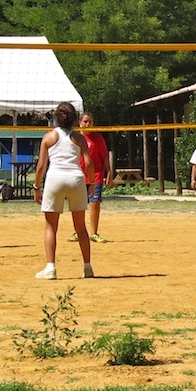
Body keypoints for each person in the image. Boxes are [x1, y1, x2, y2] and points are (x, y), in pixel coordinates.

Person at [33, 102, 96, 280]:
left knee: (51, 226)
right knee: (81, 227)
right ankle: (87, 267)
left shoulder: (48, 137)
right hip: (76, 178)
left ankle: (51, 268)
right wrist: (91, 183)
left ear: (56, 117)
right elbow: (89, 163)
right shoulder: (79, 138)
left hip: (55, 179)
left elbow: (40, 167)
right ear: (74, 119)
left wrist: (36, 187)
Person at [68, 111, 114, 243]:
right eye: (85, 122)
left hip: (96, 175)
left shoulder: (98, 138)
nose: (88, 124)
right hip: (78, 175)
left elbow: (105, 157)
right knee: (78, 206)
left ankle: (93, 233)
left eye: (90, 122)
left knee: (95, 203)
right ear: (79, 123)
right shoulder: (74, 137)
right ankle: (78, 231)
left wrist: (109, 173)